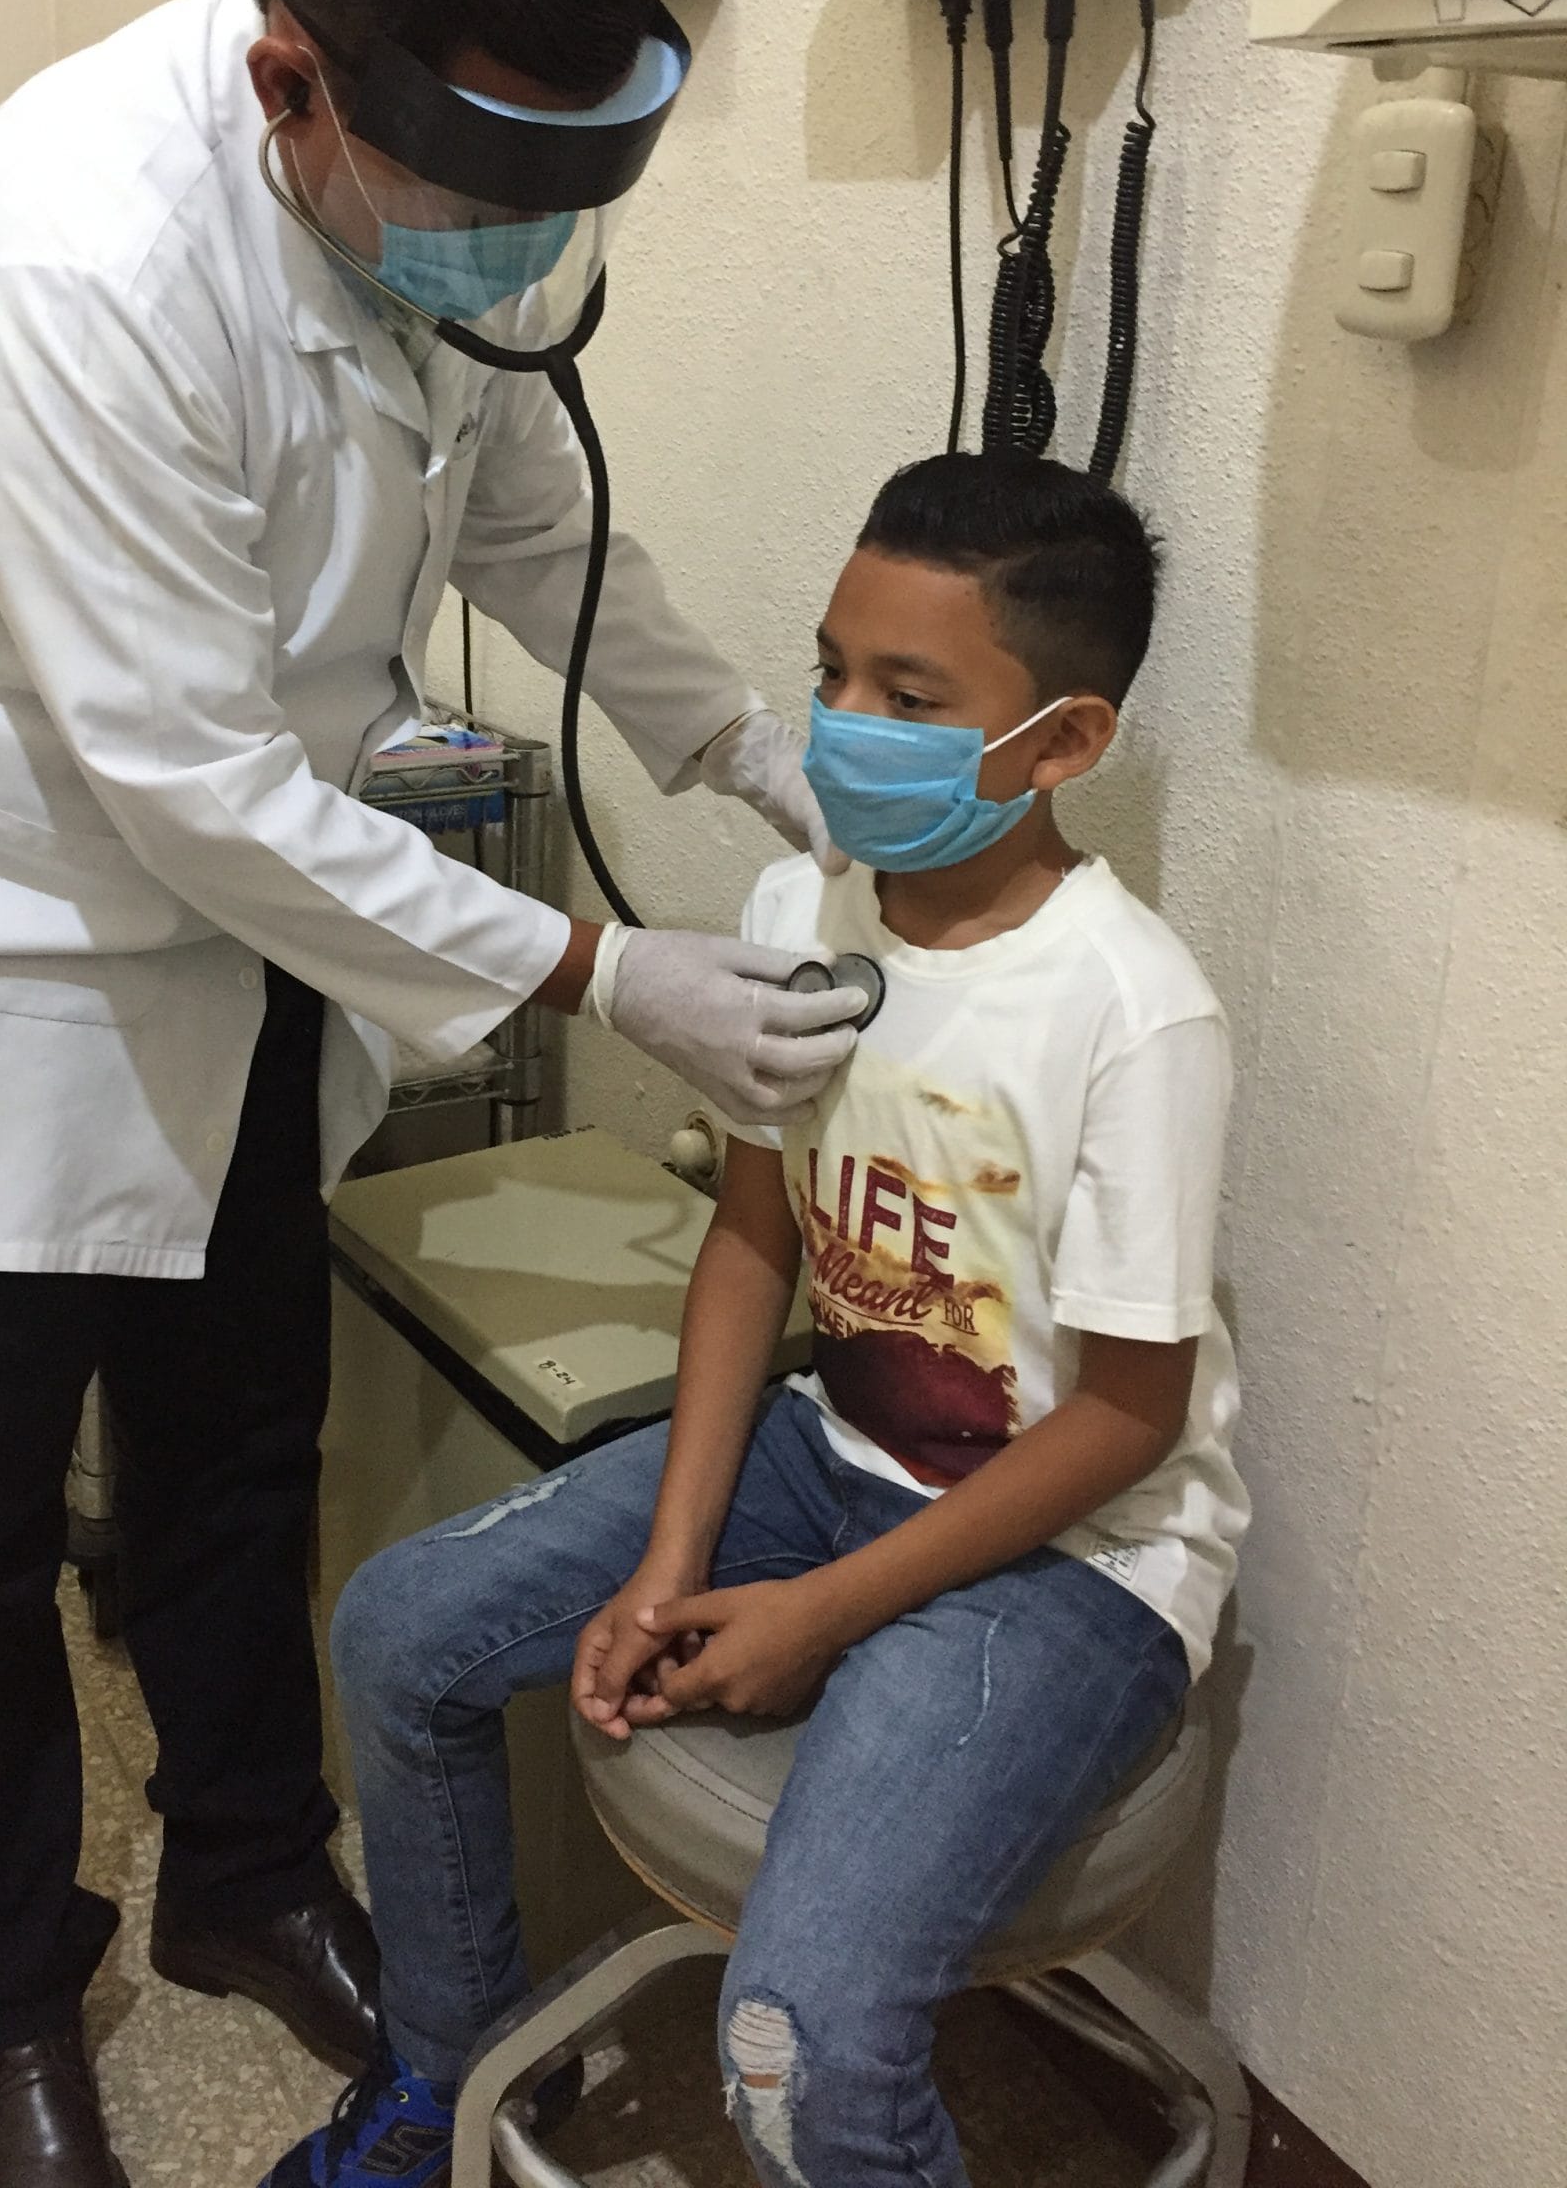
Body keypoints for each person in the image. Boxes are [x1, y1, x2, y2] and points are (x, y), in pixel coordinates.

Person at [0, 0, 866, 2188]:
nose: (514, 261)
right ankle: (7, 2001)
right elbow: (180, 785)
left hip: (231, 924)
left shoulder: (417, 200)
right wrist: (600, 977)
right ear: (290, 80)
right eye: (475, 196)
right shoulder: (63, 261)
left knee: (232, 1442)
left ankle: (244, 1868)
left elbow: (535, 523)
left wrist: (765, 754)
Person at [286, 448, 1251, 2188]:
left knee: (792, 2050)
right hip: (838, 1450)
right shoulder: (796, 909)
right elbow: (753, 1245)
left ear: (1065, 745)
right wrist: (670, 1555)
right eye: (831, 672)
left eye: (910, 694)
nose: (844, 723)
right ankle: (457, 2065)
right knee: (396, 1630)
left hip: (1072, 1554)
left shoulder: (1132, 1012)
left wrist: (815, 1613)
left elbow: (1127, 1419)